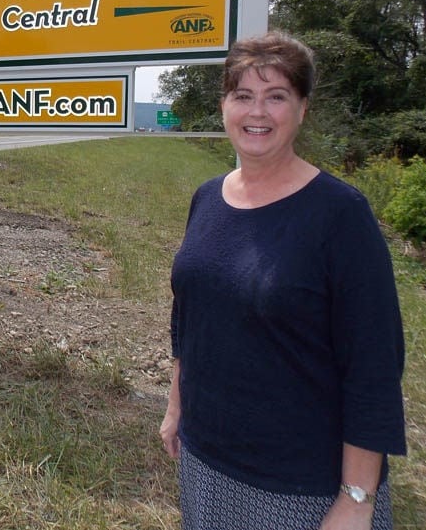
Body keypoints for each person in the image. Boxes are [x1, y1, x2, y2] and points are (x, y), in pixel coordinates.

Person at [160, 31, 406, 530]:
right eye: (243, 95)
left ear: (302, 110)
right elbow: (189, 316)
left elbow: (374, 366)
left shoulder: (341, 215)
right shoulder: (208, 198)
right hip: (206, 459)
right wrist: (175, 406)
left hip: (300, 485)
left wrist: (357, 497)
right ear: (224, 105)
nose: (257, 112)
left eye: (276, 97)